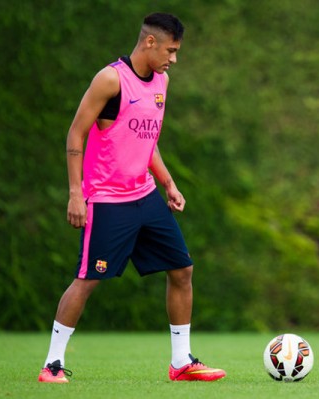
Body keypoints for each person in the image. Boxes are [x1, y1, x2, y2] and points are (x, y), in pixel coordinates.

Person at [38, 13, 226, 383]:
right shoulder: (110, 79)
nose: (174, 59)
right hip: (107, 199)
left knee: (182, 269)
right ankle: (52, 365)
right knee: (88, 279)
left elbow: (147, 139)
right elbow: (75, 134)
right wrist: (76, 194)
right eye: (171, 50)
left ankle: (181, 363)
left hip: (146, 196)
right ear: (150, 42)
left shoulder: (162, 82)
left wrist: (169, 183)